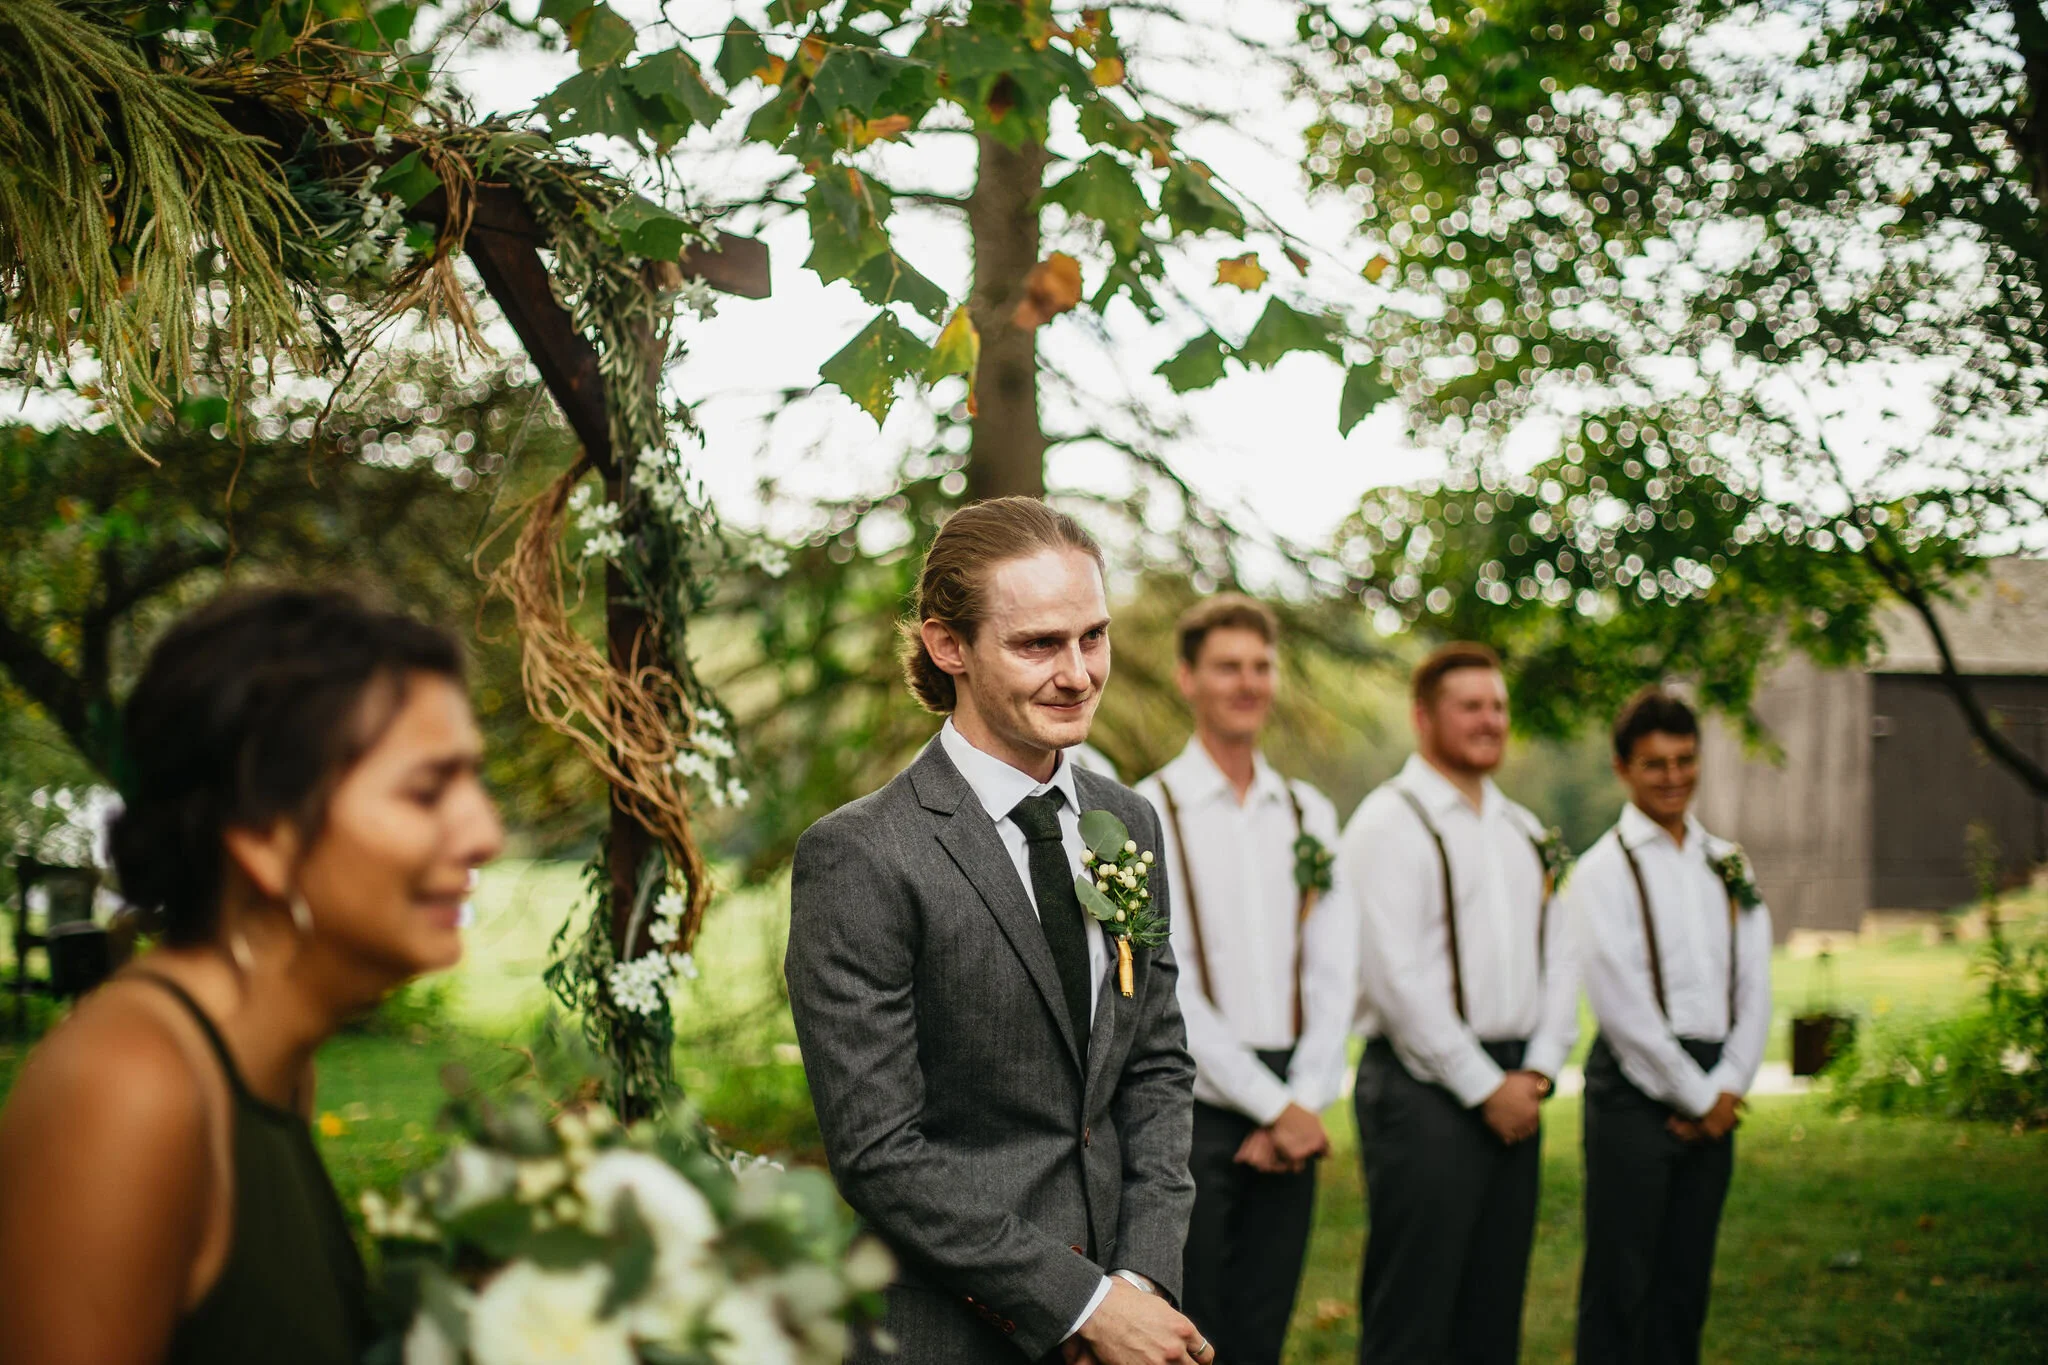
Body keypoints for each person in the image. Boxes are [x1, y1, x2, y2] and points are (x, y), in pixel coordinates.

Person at [0, 587, 504, 1365]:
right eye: (426, 790)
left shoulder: (274, 1068)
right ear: (264, 834)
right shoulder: (128, 1088)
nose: (486, 833)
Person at [785, 497, 1208, 1365]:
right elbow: (877, 1151)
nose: (1080, 673)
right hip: (950, 1330)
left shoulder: (1129, 822)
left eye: (1093, 636)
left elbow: (1156, 1063)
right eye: (1038, 644)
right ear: (949, 647)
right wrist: (1081, 1304)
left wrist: (1142, 1281)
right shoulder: (861, 854)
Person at [1335, 641, 1577, 1365]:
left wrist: (1535, 1073)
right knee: (1414, 1312)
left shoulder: (1527, 832)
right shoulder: (1387, 823)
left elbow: (1563, 959)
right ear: (1423, 717)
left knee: (1493, 1305)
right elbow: (1396, 979)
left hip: (1516, 1085)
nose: (1490, 720)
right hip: (1421, 1092)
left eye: (1498, 706)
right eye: (1470, 706)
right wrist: (1482, 1087)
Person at [1134, 595, 1350, 1365]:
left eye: (1261, 666)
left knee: (1265, 1327)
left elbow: (1333, 967)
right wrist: (1270, 1105)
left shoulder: (1307, 812)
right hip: (1186, 1110)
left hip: (1296, 1097)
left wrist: (1303, 1101)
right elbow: (1166, 986)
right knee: (1194, 1334)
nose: (1248, 682)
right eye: (1228, 666)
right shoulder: (1146, 810)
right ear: (1187, 677)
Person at [1567, 687, 1772, 1365]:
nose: (1674, 776)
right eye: (1655, 763)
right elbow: (1622, 1008)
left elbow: (1754, 984)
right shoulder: (1601, 870)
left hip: (1717, 1080)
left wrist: (1730, 1086)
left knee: (1685, 1285)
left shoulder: (1729, 864)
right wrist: (1698, 1098)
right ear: (1623, 767)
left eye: (1686, 759)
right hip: (1633, 1090)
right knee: (1620, 1284)